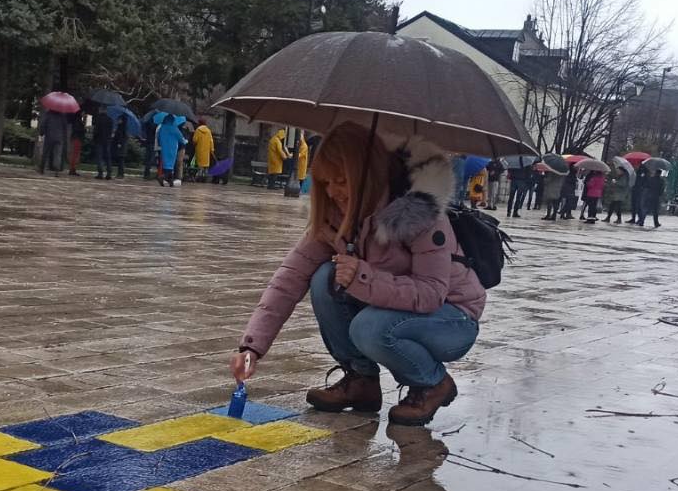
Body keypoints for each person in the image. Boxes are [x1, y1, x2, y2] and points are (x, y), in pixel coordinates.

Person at [229, 123, 483, 427]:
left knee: (369, 327)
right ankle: (361, 379)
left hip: (451, 320)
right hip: (397, 311)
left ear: (368, 176)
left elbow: (431, 293)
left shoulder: (420, 214)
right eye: (325, 183)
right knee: (323, 278)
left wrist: (363, 277)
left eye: (341, 181)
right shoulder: (335, 218)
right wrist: (251, 348)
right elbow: (288, 279)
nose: (333, 192)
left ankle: (433, 382)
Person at [155, 114, 189, 186]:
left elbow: (158, 136)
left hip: (164, 148)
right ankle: (163, 177)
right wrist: (185, 141)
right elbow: (180, 137)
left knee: (165, 164)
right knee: (170, 164)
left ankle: (169, 181)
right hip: (172, 148)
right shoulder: (174, 128)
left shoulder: (162, 127)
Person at [37, 106, 68, 174]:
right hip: (59, 137)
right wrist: (64, 136)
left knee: (45, 153)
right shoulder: (62, 116)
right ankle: (57, 169)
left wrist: (41, 133)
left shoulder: (48, 114)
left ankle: (42, 168)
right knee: (58, 154)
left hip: (49, 136)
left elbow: (43, 124)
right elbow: (65, 127)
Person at [92, 108, 115, 180]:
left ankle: (100, 173)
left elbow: (96, 131)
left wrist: (94, 138)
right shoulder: (110, 120)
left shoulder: (98, 119)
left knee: (99, 157)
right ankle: (109, 173)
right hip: (107, 141)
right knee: (107, 157)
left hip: (99, 140)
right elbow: (111, 131)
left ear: (100, 111)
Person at [66, 112, 85, 177]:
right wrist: (83, 129)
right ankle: (72, 169)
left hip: (76, 138)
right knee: (75, 154)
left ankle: (73, 168)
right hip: (77, 138)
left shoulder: (77, 121)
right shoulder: (78, 121)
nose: (84, 114)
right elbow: (78, 130)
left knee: (74, 154)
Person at [111, 113, 129, 178]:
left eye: (119, 119)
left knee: (121, 160)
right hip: (121, 145)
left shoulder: (122, 128)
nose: (118, 120)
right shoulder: (121, 127)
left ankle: (120, 174)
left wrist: (119, 143)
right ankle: (120, 173)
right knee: (120, 160)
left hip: (121, 146)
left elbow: (121, 137)